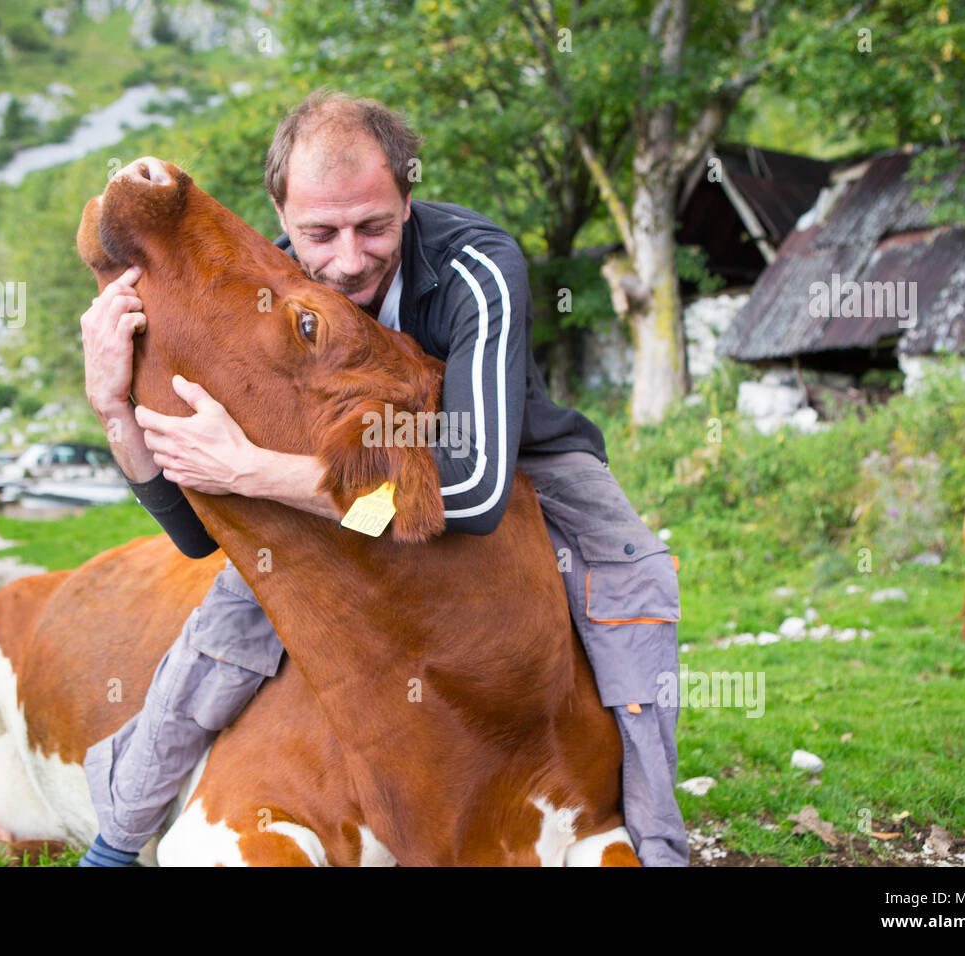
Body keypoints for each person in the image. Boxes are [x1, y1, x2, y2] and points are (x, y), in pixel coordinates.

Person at [77, 89, 688, 867]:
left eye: (373, 226)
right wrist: (114, 410)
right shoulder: (273, 280)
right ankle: (117, 836)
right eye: (318, 233)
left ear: (408, 197)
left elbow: (472, 494)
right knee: (229, 619)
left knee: (634, 581)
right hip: (344, 468)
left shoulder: (480, 266)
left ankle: (659, 841)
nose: (347, 258)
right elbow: (201, 535)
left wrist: (260, 469)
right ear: (283, 212)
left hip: (517, 457)